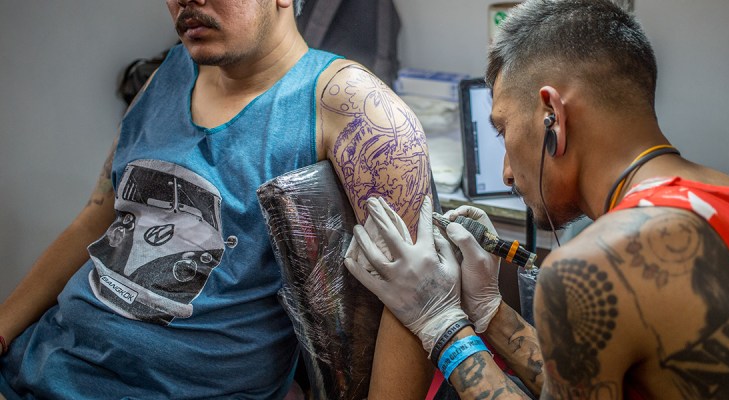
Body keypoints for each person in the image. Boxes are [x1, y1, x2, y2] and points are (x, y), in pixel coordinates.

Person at [344, 0, 729, 399]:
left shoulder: (599, 263)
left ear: (553, 117)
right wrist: (489, 312)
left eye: (503, 130)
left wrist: (441, 325)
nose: (506, 173)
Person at [0, 0, 434, 398]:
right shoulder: (167, 74)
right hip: (41, 360)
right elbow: (95, 219)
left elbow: (415, 297)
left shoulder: (357, 108)